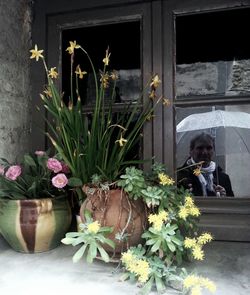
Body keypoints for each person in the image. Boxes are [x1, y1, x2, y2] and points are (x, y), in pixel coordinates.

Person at [177, 133, 234, 197]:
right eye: (200, 148)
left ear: (214, 151)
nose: (204, 152)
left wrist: (225, 197)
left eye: (209, 148)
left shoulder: (223, 178)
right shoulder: (180, 176)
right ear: (191, 151)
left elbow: (233, 205)